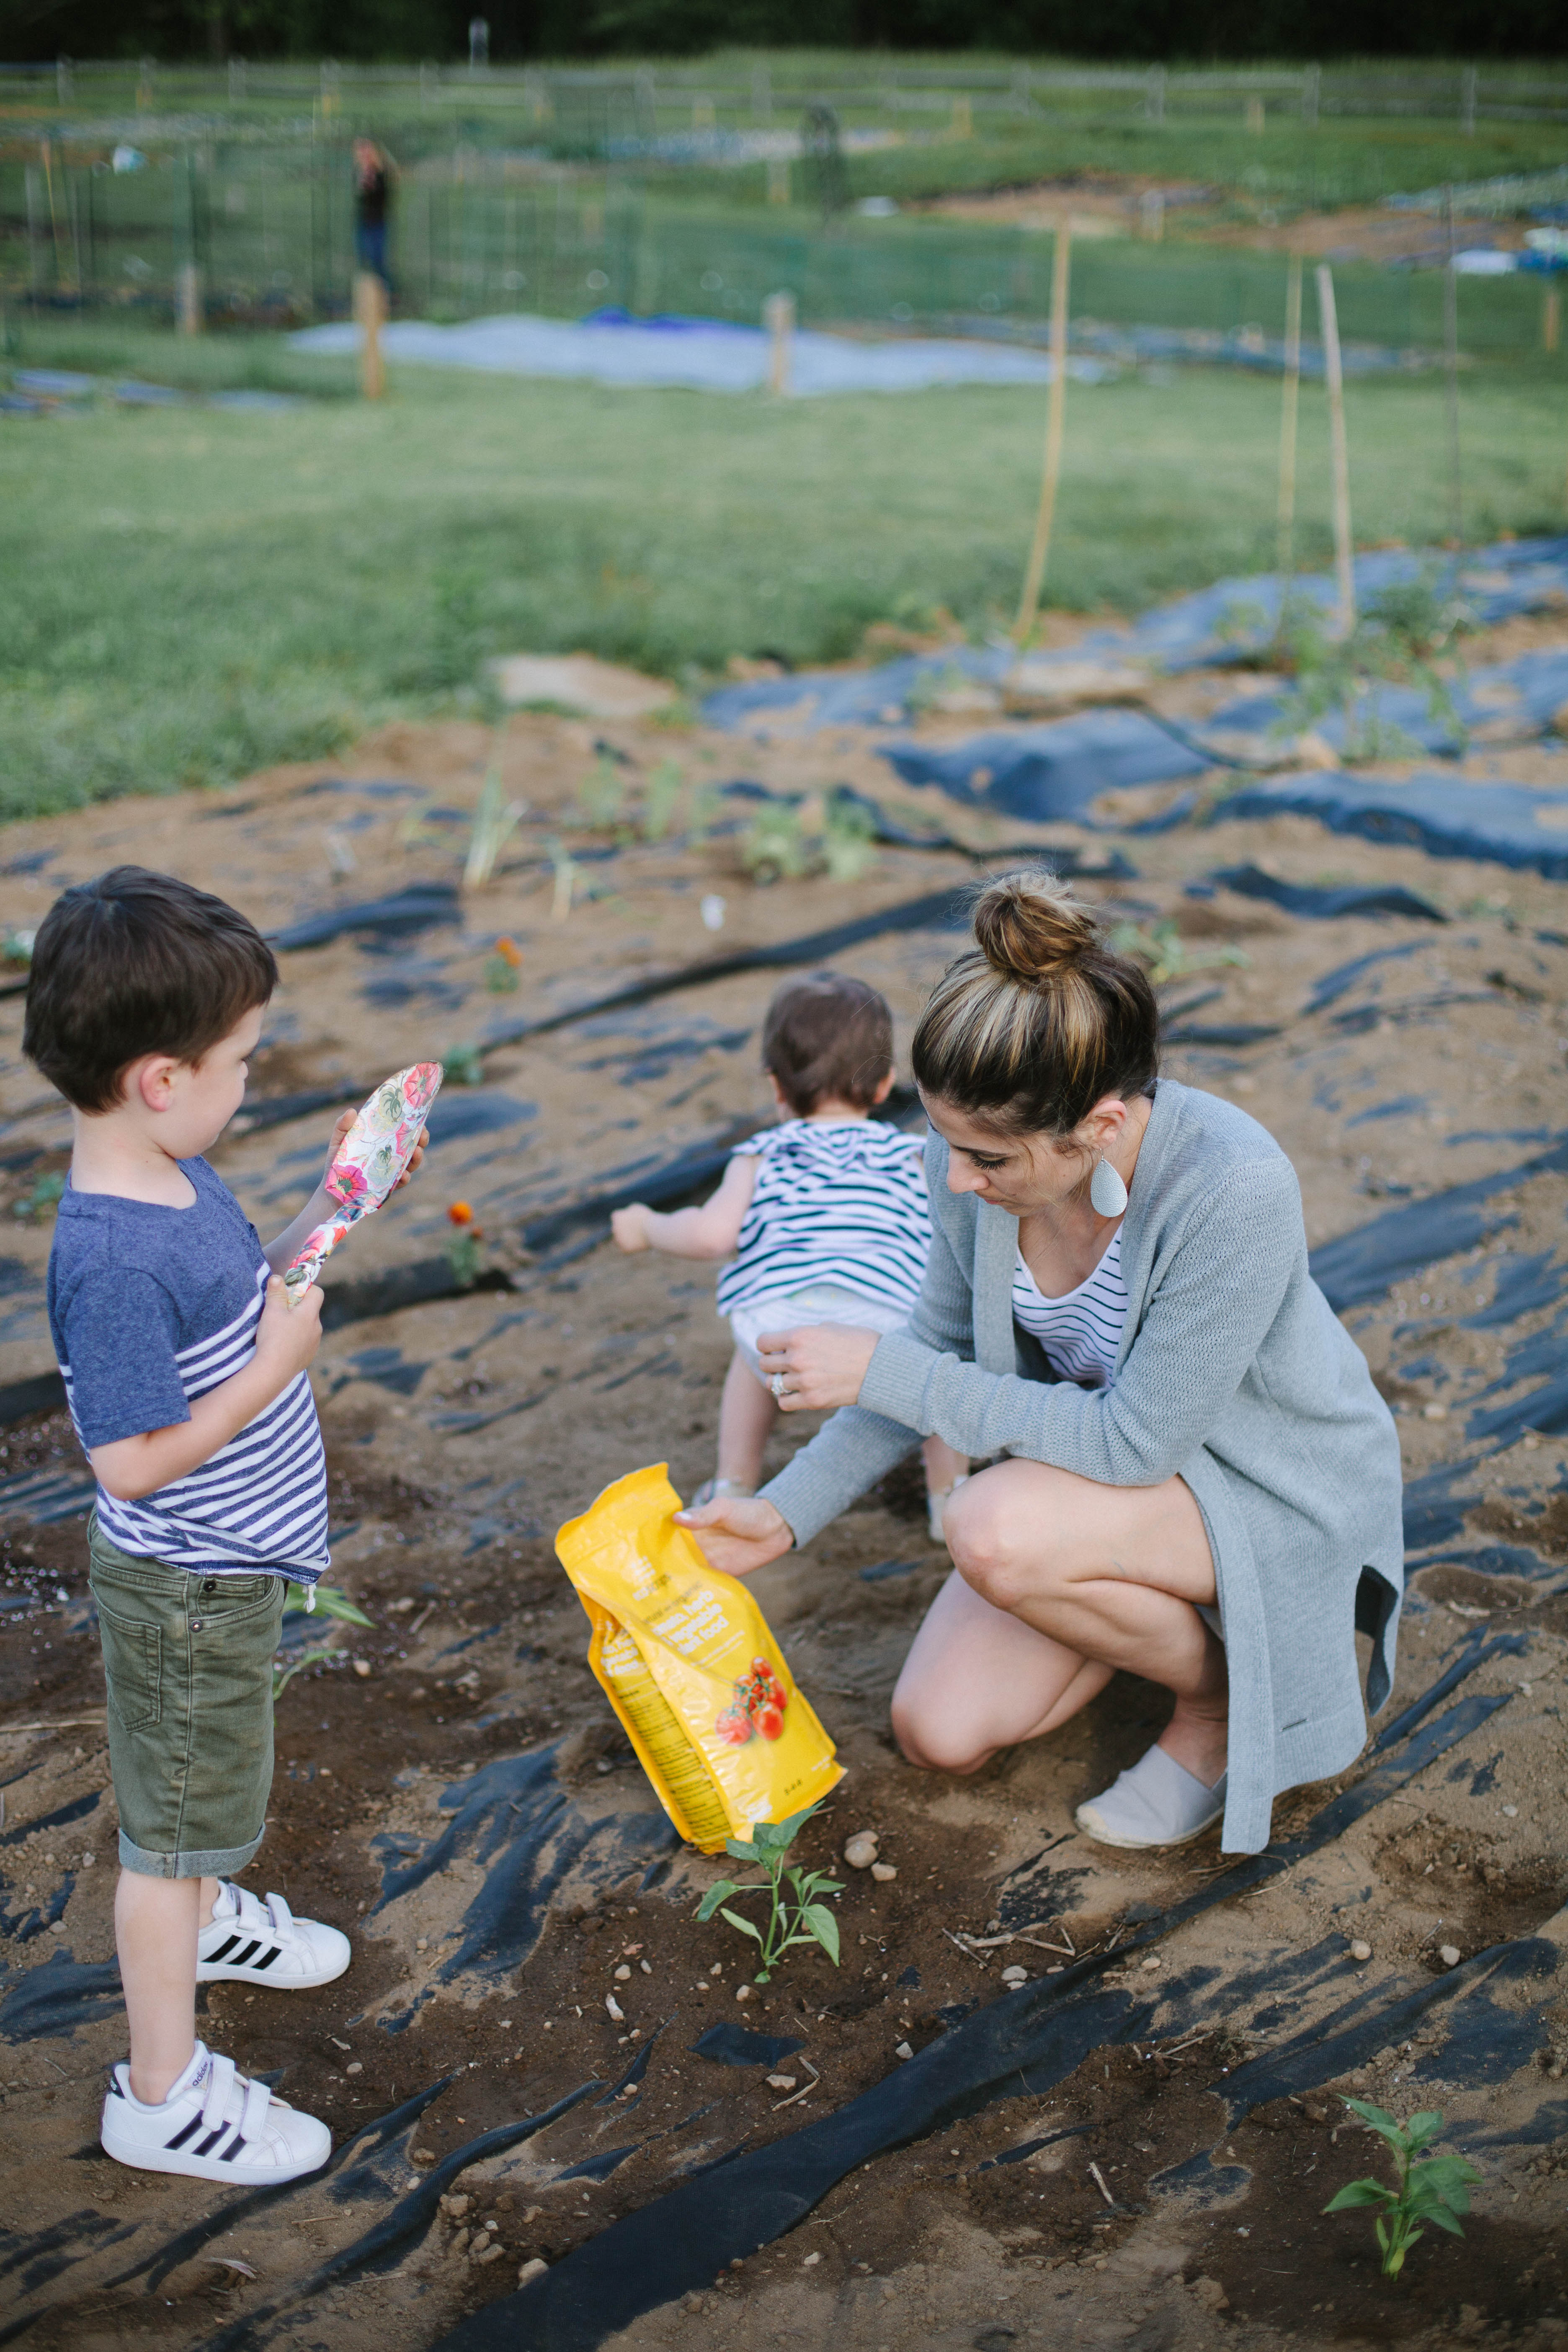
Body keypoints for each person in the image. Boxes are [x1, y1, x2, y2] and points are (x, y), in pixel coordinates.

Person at [677, 873, 1404, 1857]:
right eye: (945, 1143)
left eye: (987, 1160)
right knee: (939, 1731)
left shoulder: (1229, 1185)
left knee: (988, 1524)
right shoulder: (971, 1168)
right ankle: (1167, 1623)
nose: (954, 1179)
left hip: (1263, 1479)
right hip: (1100, 1475)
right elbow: (928, 1350)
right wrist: (783, 1509)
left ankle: (1215, 1706)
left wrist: (885, 1374)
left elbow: (1136, 1441)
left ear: (1099, 1126)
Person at [25, 868, 428, 2183]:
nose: (252, 1079)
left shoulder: (174, 1182)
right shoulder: (114, 1259)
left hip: (229, 1574)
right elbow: (129, 1462)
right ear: (158, 1077)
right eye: (242, 1060)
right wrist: (269, 1378)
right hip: (185, 1581)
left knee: (206, 1796)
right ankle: (161, 2090)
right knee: (175, 1829)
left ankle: (202, 1915)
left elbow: (245, 1300)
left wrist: (335, 1207)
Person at [611, 972, 967, 1538]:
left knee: (746, 1363)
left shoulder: (759, 1155)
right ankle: (949, 1497)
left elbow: (710, 1237)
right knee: (938, 1364)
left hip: (777, 1333)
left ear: (777, 1087)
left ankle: (734, 1482)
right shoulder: (911, 1155)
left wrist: (646, 1226)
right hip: (887, 1333)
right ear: (885, 1086)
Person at [353, 139, 394, 293]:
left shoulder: (382, 173)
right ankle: (367, 295)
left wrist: (372, 184)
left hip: (378, 221)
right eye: (361, 152)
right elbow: (360, 198)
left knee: (378, 259)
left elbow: (384, 198)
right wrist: (362, 184)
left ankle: (385, 294)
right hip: (364, 221)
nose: (364, 155)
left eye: (367, 152)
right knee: (363, 257)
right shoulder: (359, 173)